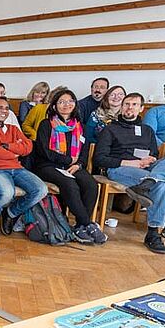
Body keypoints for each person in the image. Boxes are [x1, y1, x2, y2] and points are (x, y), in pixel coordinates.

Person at [96, 93, 165, 254]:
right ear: (121, 106)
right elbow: (100, 159)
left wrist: (150, 159)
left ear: (141, 108)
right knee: (161, 184)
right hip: (120, 168)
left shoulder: (147, 130)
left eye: (134, 104)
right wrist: (132, 163)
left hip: (147, 168)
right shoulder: (110, 129)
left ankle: (150, 180)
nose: (129, 108)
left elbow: (154, 153)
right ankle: (154, 234)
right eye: (126, 104)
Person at [30, 89, 107, 244]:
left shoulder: (80, 127)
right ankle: (88, 224)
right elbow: (44, 151)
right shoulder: (46, 124)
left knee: (91, 184)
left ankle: (79, 227)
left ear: (75, 104)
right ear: (54, 105)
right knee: (69, 184)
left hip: (73, 166)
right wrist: (67, 160)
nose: (66, 105)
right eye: (62, 102)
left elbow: (84, 152)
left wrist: (78, 164)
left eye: (70, 101)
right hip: (48, 165)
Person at [0, 97, 47, 244]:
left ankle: (11, 213)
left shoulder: (13, 129)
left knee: (41, 189)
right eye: (0, 107)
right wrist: (15, 151)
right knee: (7, 192)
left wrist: (7, 146)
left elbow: (28, 147)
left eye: (7, 108)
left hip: (16, 168)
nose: (4, 111)